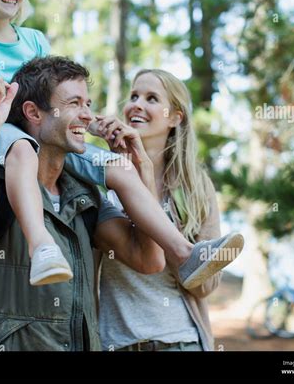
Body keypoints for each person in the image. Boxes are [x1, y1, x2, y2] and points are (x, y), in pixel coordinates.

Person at [0, 0, 238, 288]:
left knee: (120, 167)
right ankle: (41, 245)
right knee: (24, 151)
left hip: (44, 132)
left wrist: (93, 124)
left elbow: (56, 102)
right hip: (2, 132)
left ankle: (185, 251)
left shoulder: (34, 39)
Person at [94, 69, 240, 351]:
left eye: (151, 98)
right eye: (134, 95)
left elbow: (206, 287)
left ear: (175, 117)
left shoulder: (196, 186)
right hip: (117, 342)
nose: (137, 104)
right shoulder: (104, 179)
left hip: (180, 340)